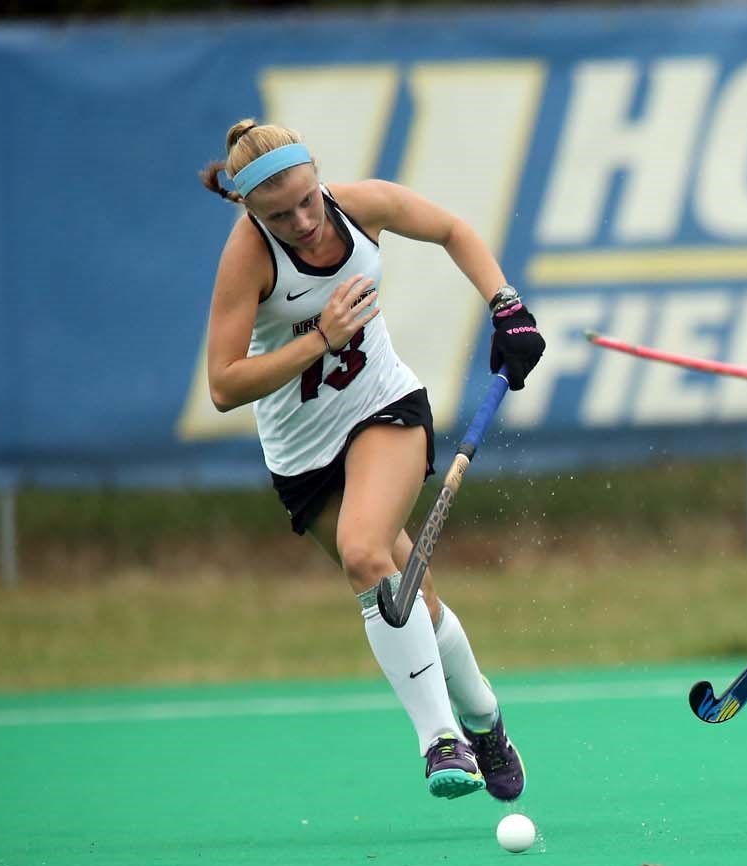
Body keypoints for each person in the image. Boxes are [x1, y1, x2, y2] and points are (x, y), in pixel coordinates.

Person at [199, 119, 545, 802]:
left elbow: (452, 229)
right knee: (406, 592)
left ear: (317, 173)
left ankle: (440, 740)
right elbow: (223, 384)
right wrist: (318, 339)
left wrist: (506, 305)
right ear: (247, 208)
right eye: (278, 213)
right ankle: (483, 718)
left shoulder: (361, 206)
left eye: (306, 199)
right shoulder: (249, 257)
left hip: (384, 408)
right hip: (302, 453)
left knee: (364, 553)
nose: (301, 220)